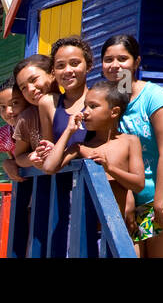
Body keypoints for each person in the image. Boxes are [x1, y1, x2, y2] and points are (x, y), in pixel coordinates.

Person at [99, 34, 163, 257]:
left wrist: (160, 205)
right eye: (108, 59)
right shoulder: (108, 101)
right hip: (130, 199)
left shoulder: (153, 96)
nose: (115, 66)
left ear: (136, 62)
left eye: (122, 59)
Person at [41, 78, 144, 215]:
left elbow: (138, 184)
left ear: (114, 112)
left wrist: (110, 168)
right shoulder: (80, 147)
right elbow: (49, 167)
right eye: (85, 106)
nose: (85, 112)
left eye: (93, 106)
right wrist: (68, 131)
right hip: (86, 230)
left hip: (115, 230)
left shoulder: (130, 141)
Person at [38, 35, 91, 153]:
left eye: (75, 63)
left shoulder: (101, 100)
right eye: (60, 66)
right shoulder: (48, 103)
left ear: (89, 65)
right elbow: (49, 148)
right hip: (62, 171)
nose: (67, 70)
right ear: (53, 71)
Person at [11, 54, 53, 168]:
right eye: (23, 88)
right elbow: (19, 157)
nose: (30, 89)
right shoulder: (26, 118)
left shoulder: (71, 104)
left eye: (34, 79)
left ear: (52, 74)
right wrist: (31, 158)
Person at [0, 78, 28, 182]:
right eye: (2, 107)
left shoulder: (39, 125)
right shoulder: (3, 135)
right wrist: (8, 163)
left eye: (15, 103)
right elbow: (14, 160)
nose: (8, 111)